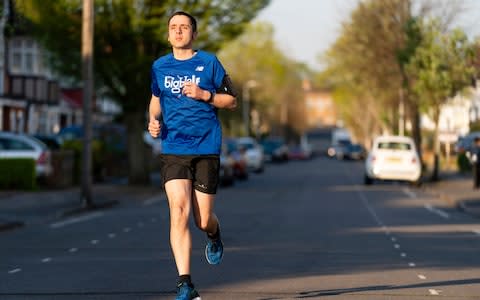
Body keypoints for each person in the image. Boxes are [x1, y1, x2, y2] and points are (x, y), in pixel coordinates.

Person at [147, 11, 237, 300]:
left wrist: (204, 95)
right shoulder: (160, 66)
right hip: (174, 148)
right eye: (173, 27)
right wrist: (153, 121)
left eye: (184, 27)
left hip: (206, 147)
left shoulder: (209, 63)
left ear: (194, 34)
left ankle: (214, 234)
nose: (178, 31)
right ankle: (185, 283)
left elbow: (231, 100)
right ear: (168, 33)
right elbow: (155, 100)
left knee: (202, 219)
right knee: (178, 211)